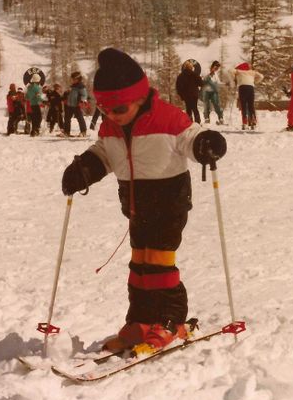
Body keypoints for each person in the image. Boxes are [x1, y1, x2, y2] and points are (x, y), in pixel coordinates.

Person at [61, 48, 227, 354]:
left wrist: (206, 143)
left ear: (139, 97)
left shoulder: (167, 117)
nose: (112, 115)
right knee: (139, 265)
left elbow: (191, 137)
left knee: (160, 263)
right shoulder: (111, 127)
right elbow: (104, 154)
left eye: (119, 108)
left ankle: (170, 320)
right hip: (136, 206)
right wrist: (84, 169)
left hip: (169, 202)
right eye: (106, 109)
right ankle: (140, 320)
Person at [232, 62, 263, 130]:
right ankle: (253, 122)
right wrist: (255, 82)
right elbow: (261, 76)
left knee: (243, 106)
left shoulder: (239, 71)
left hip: (242, 88)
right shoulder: (252, 72)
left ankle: (245, 123)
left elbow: (230, 71)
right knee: (251, 105)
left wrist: (234, 78)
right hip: (250, 88)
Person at [175, 59, 204, 124]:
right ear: (191, 67)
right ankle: (197, 122)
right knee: (195, 108)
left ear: (185, 67)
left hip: (186, 96)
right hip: (194, 95)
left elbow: (178, 87)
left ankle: (189, 122)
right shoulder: (195, 74)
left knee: (188, 109)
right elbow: (201, 84)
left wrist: (182, 96)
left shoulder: (180, 76)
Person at [63, 71, 88, 137]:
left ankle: (83, 132)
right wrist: (66, 97)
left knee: (80, 118)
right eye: (72, 79)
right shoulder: (72, 86)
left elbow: (84, 95)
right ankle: (66, 132)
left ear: (78, 79)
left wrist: (82, 101)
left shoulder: (81, 86)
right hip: (69, 105)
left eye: (74, 79)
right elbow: (70, 95)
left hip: (76, 105)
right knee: (67, 118)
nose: (73, 80)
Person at [202, 60, 224, 124]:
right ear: (213, 66)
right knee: (206, 105)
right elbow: (202, 79)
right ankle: (207, 118)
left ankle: (221, 118)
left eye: (217, 68)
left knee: (216, 104)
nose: (216, 69)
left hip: (214, 91)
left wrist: (225, 84)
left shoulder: (216, 74)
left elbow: (218, 83)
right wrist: (208, 76)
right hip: (206, 91)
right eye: (216, 67)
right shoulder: (206, 71)